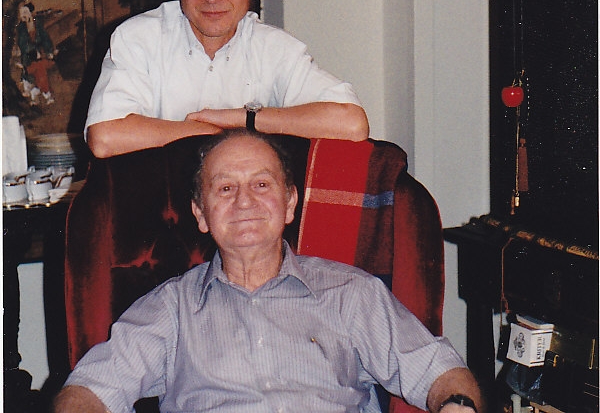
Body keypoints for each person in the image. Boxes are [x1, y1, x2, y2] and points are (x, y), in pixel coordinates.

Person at [54, 130, 484, 413]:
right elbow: (88, 391)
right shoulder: (170, 309)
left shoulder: (352, 293)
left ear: (290, 203)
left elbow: (440, 372)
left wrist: (457, 406)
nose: (244, 202)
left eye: (261, 184)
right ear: (201, 213)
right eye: (225, 188)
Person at [85, 0, 369, 158]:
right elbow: (105, 138)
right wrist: (214, 134)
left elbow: (352, 125)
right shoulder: (138, 38)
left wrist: (244, 120)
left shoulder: (275, 48)